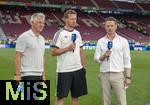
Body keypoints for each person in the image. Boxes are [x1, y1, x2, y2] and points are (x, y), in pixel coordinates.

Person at [51, 10, 88, 105]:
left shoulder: (78, 33)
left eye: (75, 19)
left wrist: (84, 68)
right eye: (72, 19)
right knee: (60, 98)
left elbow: (81, 52)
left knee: (75, 98)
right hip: (64, 71)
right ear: (65, 19)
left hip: (78, 70)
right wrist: (67, 48)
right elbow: (54, 52)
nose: (74, 21)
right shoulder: (59, 33)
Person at [94, 17, 131, 105]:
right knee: (105, 101)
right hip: (104, 74)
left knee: (121, 101)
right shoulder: (100, 41)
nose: (110, 28)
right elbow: (96, 59)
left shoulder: (123, 41)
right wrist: (103, 56)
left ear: (116, 26)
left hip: (118, 74)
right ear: (105, 27)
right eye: (108, 26)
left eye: (112, 25)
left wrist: (128, 77)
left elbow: (127, 60)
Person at [14, 13, 46, 80]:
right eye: (39, 22)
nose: (42, 25)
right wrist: (17, 74)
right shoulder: (24, 37)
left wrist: (43, 74)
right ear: (32, 22)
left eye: (43, 23)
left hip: (39, 74)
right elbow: (18, 56)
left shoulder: (42, 39)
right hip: (27, 74)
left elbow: (42, 57)